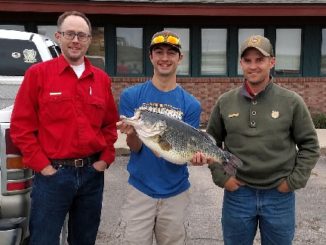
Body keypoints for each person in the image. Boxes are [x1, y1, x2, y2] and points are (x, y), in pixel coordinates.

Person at [192, 35, 320, 244]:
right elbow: (210, 142)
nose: (253, 66)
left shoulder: (291, 102)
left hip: (279, 197)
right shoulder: (225, 102)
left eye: (259, 60)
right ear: (241, 63)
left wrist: (292, 182)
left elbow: (310, 145)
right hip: (238, 195)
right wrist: (222, 178)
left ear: (272, 62)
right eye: (248, 60)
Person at [10, 11, 118, 245]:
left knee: (85, 239)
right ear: (58, 36)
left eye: (82, 35)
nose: (76, 40)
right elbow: (21, 126)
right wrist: (43, 166)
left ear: (89, 39)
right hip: (53, 177)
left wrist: (105, 159)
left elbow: (109, 125)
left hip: (91, 175)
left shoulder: (101, 79)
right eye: (70, 34)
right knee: (44, 240)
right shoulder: (38, 75)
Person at [117, 30, 201, 245]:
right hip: (140, 189)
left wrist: (196, 157)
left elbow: (185, 151)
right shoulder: (131, 96)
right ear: (150, 57)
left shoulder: (191, 104)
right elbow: (135, 148)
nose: (165, 58)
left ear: (180, 58)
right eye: (159, 52)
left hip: (176, 192)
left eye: (171, 53)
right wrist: (132, 134)